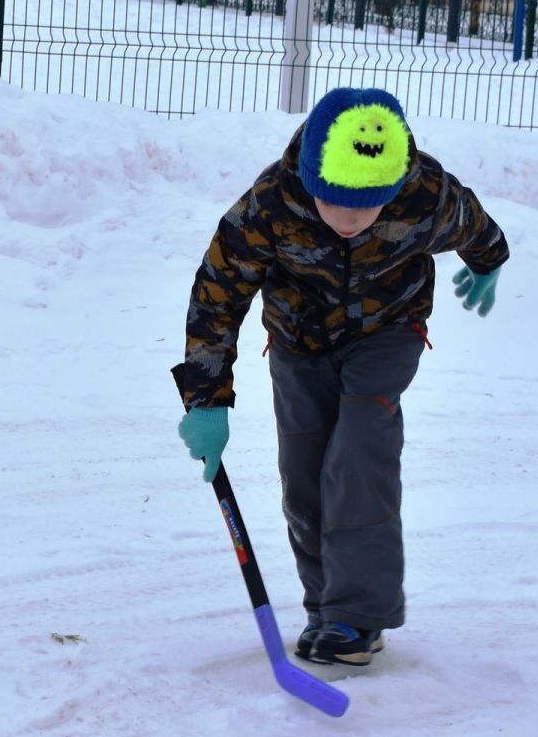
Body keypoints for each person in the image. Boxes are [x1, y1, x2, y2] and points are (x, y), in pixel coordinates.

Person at [172, 88, 508, 666]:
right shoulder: (269, 205)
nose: (350, 221)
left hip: (388, 333)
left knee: (357, 454)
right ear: (310, 180)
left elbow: (475, 226)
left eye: (367, 207)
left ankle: (358, 618)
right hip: (298, 343)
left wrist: (488, 264)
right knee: (305, 476)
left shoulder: (424, 193)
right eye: (335, 204)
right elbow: (218, 296)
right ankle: (326, 609)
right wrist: (206, 400)